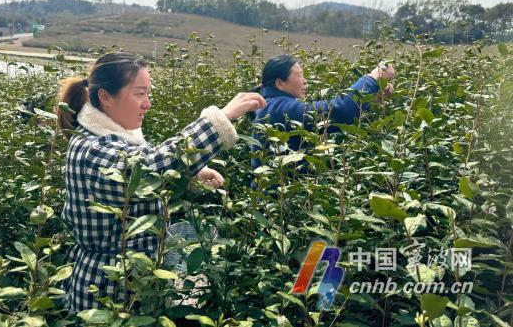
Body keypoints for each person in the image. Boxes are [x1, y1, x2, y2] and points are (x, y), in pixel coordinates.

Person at [56, 52, 265, 311]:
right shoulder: (94, 149)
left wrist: (190, 175)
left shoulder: (108, 139)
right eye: (140, 94)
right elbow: (151, 167)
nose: (148, 103)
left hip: (127, 285)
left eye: (148, 93)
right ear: (105, 97)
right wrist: (220, 119)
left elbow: (139, 176)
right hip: (109, 294)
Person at [250, 54, 395, 171]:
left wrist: (370, 99)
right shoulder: (278, 108)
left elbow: (333, 119)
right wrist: (373, 78)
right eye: (299, 75)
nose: (305, 81)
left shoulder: (271, 105)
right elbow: (338, 111)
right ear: (280, 83)